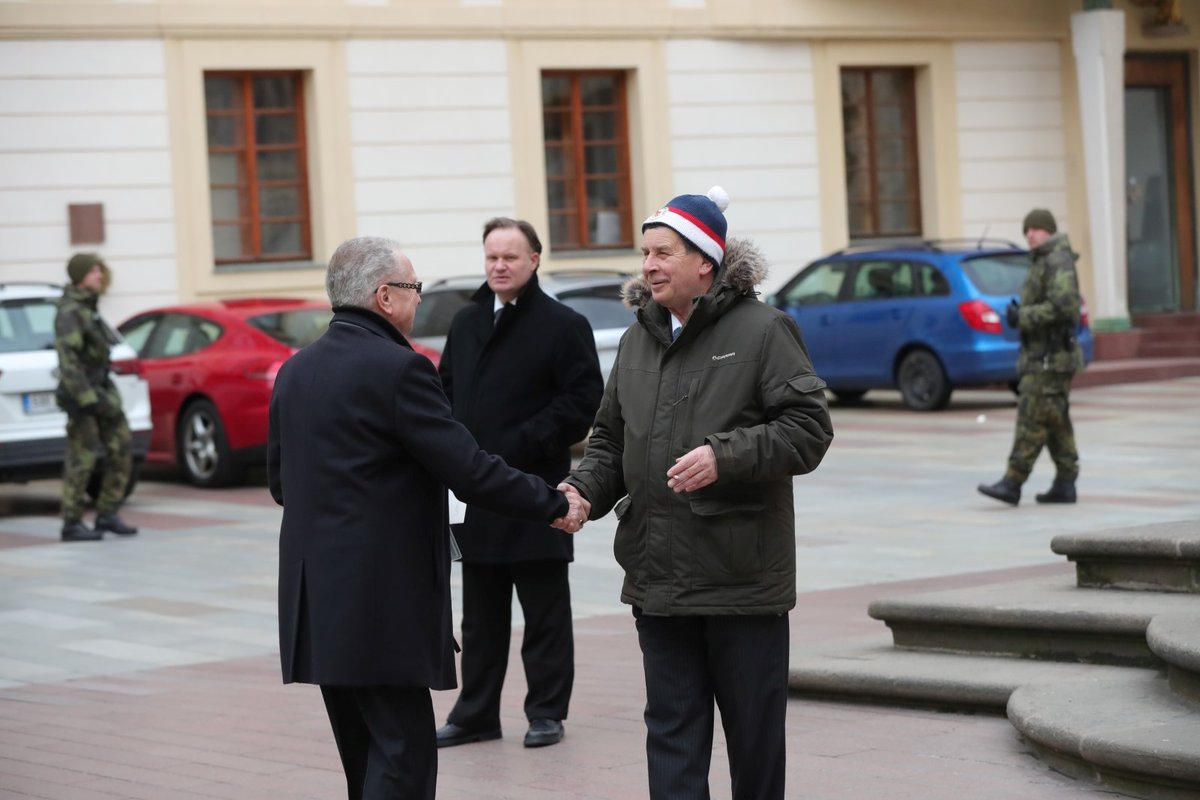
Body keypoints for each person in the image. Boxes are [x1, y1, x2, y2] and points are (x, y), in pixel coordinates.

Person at [267, 236, 584, 800]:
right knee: (404, 763)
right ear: (385, 296)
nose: (418, 301)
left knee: (362, 761)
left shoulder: (295, 371)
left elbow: (280, 485)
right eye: (412, 289)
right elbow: (471, 470)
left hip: (318, 600)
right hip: (381, 604)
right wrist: (555, 503)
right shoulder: (399, 370)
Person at [561, 187, 834, 800]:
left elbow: (809, 430)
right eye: (645, 254)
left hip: (740, 579)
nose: (648, 266)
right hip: (659, 578)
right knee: (672, 736)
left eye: (663, 253)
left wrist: (725, 455)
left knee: (753, 739)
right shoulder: (637, 340)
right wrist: (582, 492)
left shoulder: (765, 331)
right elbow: (608, 438)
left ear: (705, 263)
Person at [434, 218, 604, 750]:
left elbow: (582, 401)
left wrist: (527, 440)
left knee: (544, 612)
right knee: (480, 618)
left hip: (536, 489)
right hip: (479, 494)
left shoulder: (562, 324)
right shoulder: (465, 322)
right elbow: (445, 393)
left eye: (510, 257)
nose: (499, 266)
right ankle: (476, 713)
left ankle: (546, 712)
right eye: (492, 257)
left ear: (534, 259)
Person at [978, 208, 1084, 506]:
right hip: (1045, 356)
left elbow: (1064, 306)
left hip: (1051, 358)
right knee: (1054, 419)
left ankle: (1013, 482)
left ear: (1048, 231)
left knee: (1031, 417)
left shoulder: (1057, 260)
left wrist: (1023, 316)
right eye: (1027, 230)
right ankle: (1066, 482)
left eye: (1036, 229)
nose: (1030, 235)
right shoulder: (1043, 260)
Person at [54, 253, 138, 542]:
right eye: (92, 271)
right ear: (79, 276)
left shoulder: (89, 307)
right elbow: (69, 361)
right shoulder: (70, 311)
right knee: (82, 457)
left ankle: (107, 513)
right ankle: (72, 522)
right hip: (83, 395)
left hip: (102, 391)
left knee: (121, 447)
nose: (98, 276)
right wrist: (86, 399)